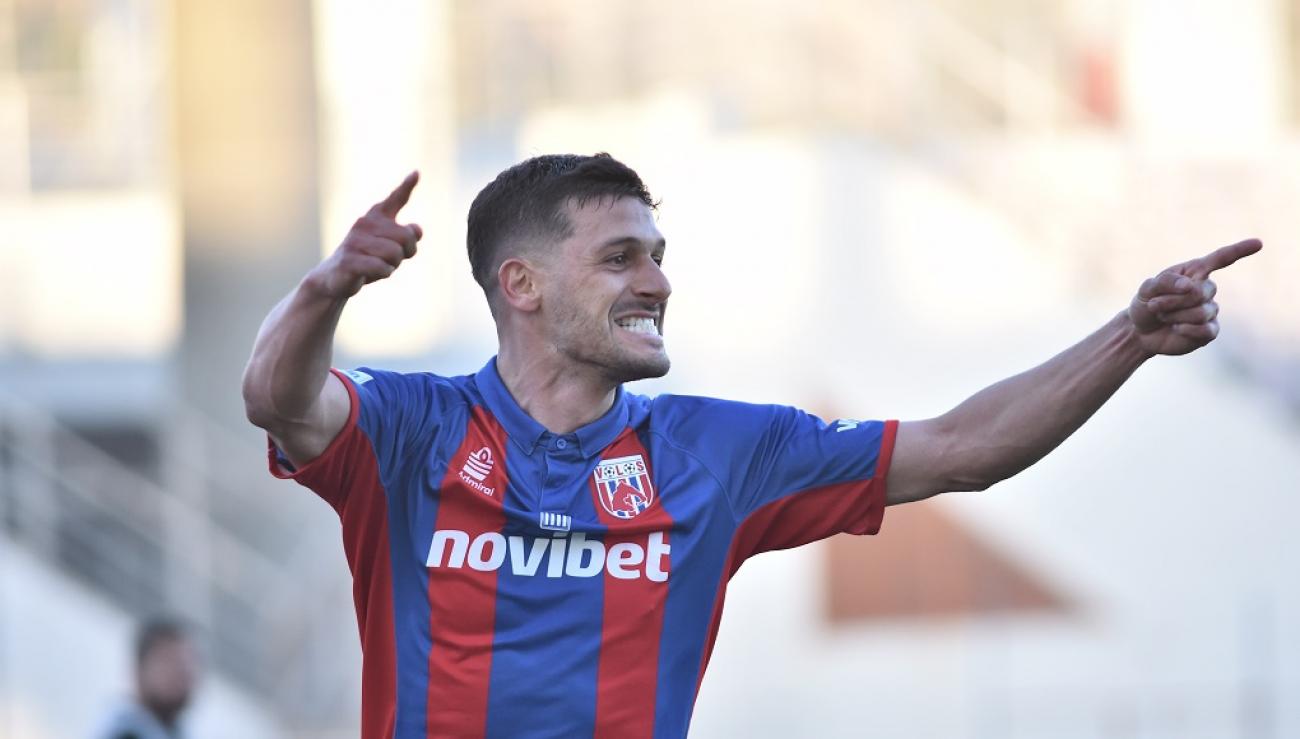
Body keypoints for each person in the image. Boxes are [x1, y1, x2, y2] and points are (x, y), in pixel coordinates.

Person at [242, 153, 1260, 738]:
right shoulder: (412, 428)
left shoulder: (719, 451)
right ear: (522, 284)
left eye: (658, 255)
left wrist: (1130, 337)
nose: (658, 282)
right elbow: (276, 399)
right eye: (621, 257)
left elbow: (962, 447)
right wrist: (325, 289)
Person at [95, 618, 200, 739]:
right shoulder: (125, 734)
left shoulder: (173, 730)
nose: (182, 673)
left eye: (186, 664)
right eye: (168, 662)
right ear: (139, 670)